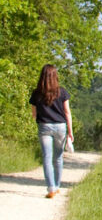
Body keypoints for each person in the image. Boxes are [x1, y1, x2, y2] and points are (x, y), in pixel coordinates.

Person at [29, 64, 74, 198]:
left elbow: (34, 114)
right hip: (60, 126)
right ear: (55, 76)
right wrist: (70, 132)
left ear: (42, 76)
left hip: (44, 126)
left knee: (47, 158)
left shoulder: (36, 93)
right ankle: (57, 186)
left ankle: (51, 189)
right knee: (58, 158)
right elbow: (67, 112)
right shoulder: (62, 92)